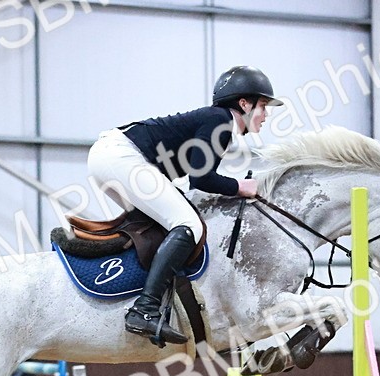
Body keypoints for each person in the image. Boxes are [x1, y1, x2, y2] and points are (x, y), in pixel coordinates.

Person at [87, 66, 282, 345]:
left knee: (164, 224)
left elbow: (195, 181)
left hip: (110, 157)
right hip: (121, 157)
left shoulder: (217, 121)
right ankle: (144, 309)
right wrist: (241, 186)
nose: (266, 115)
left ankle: (153, 302)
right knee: (188, 224)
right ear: (244, 104)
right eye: (263, 105)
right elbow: (201, 178)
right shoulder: (221, 121)